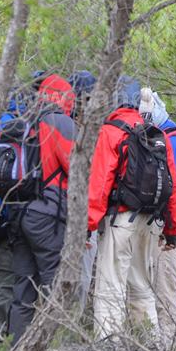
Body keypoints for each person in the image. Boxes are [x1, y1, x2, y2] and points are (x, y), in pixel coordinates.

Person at [88, 77, 176, 341]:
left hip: (121, 220)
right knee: (142, 287)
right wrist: (173, 229)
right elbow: (174, 188)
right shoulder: (157, 134)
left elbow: (100, 184)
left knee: (110, 287)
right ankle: (151, 348)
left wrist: (88, 226)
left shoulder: (111, 130)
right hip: (151, 223)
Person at [6, 74, 76, 341]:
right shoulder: (60, 123)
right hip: (48, 215)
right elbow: (78, 170)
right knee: (54, 289)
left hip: (18, 213)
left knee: (22, 291)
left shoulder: (21, 122)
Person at [142, 90, 176, 343]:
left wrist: (170, 227)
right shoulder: (173, 138)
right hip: (170, 222)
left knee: (164, 287)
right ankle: (160, 345)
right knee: (157, 285)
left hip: (172, 223)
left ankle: (170, 348)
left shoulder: (174, 141)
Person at [0, 89, 27, 343]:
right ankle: (11, 342)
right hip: (28, 215)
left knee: (2, 278)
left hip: (1, 211)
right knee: (22, 281)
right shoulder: (31, 127)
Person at [68, 70, 99, 305]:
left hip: (87, 216)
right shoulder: (66, 127)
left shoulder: (96, 131)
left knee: (82, 276)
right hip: (70, 213)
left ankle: (68, 330)